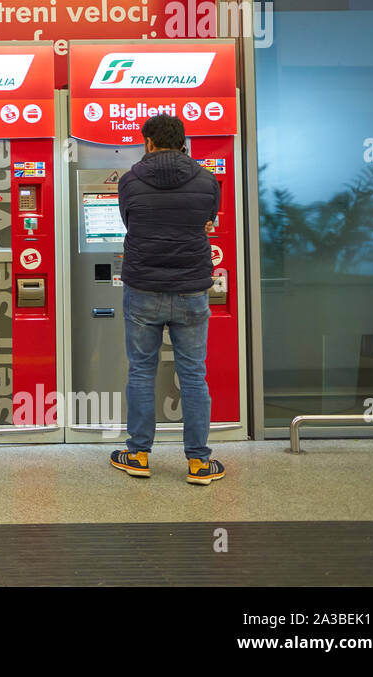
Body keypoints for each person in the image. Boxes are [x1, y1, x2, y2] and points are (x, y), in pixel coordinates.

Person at [111, 114, 225, 485]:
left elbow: (131, 222)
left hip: (143, 288)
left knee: (142, 372)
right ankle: (198, 463)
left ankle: (139, 454)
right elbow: (207, 221)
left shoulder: (129, 181)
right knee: (193, 375)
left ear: (148, 142)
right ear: (182, 142)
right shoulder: (207, 180)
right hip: (191, 289)